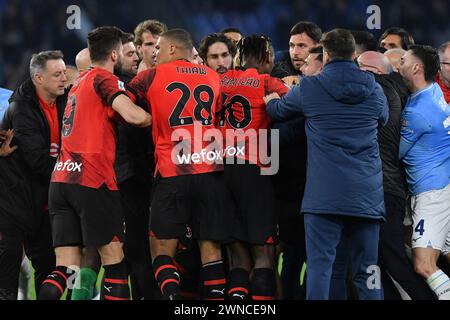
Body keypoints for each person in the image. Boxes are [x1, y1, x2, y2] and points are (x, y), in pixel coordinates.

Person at [264, 29, 388, 300]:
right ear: (354, 54)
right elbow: (383, 120)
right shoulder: (375, 90)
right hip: (366, 193)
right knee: (367, 269)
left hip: (325, 195)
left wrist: (271, 100)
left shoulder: (311, 87)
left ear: (327, 54)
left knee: (322, 267)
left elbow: (278, 111)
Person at [38, 26, 152, 300]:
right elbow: (134, 116)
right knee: (114, 261)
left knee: (65, 267)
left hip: (62, 180)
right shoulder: (104, 79)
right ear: (114, 54)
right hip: (93, 181)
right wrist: (154, 118)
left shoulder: (78, 83)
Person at [127, 28, 234, 300]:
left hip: (172, 170)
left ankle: (174, 301)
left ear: (172, 49)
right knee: (210, 248)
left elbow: (121, 103)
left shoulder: (150, 75)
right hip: (210, 171)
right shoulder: (212, 76)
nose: (154, 53)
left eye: (158, 48)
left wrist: (145, 118)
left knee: (160, 249)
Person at [331, 51, 435, 300]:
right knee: (375, 260)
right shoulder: (398, 92)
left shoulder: (376, 89)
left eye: (358, 67)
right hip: (387, 189)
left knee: (390, 258)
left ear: (373, 71)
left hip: (381, 190)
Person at [219, 34, 289, 300]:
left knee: (237, 258)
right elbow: (296, 103)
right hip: (254, 170)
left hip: (221, 170)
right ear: (268, 57)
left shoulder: (219, 81)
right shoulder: (267, 82)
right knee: (264, 255)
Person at [1, 50, 70, 298]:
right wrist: (72, 167)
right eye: (57, 74)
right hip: (13, 199)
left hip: (43, 199)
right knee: (7, 264)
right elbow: (37, 161)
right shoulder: (21, 109)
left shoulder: (65, 99)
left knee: (48, 265)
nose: (64, 78)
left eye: (64, 72)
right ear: (38, 79)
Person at [398, 44, 450, 300]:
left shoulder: (416, 113)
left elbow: (394, 152)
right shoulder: (434, 91)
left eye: (404, 60)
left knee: (423, 264)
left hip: (430, 193)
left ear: (417, 67)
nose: (399, 64)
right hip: (442, 185)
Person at [271, 21, 322, 86]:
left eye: (301, 46)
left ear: (317, 47)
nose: (294, 52)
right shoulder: (278, 60)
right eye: (292, 46)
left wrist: (301, 80)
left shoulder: (329, 65)